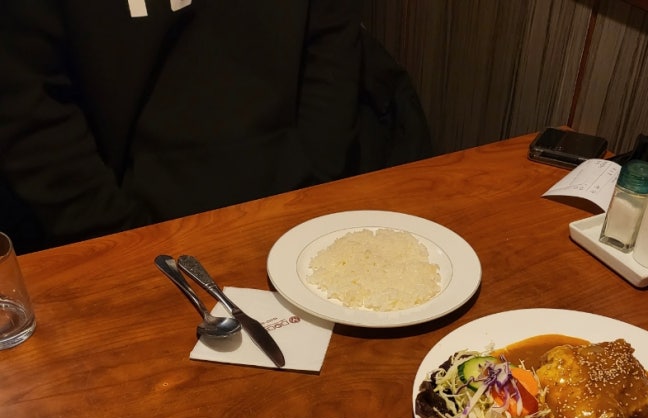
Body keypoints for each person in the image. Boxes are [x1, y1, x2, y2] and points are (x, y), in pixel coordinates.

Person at [0, 0, 431, 251]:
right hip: (129, 233)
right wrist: (123, 242)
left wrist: (314, 186)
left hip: (310, 212)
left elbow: (332, 37)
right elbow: (30, 108)